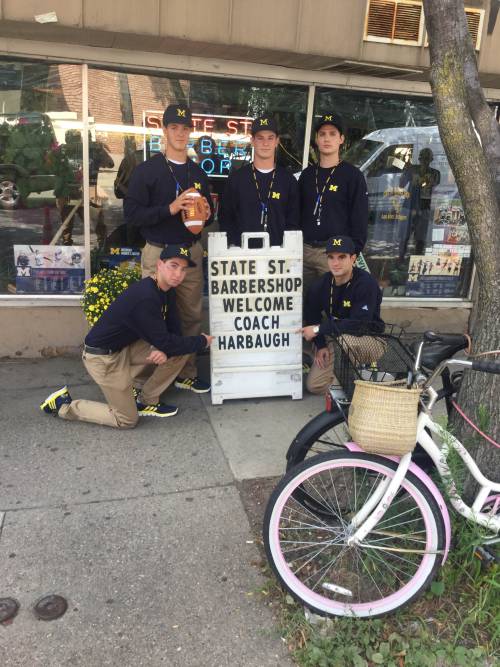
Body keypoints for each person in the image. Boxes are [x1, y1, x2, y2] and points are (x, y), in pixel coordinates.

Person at [40, 245, 214, 428]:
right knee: (126, 420)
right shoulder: (146, 296)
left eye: (183, 269)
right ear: (159, 265)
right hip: (103, 359)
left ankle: (147, 401)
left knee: (180, 349)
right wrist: (201, 341)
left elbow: (174, 329)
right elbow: (167, 340)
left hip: (124, 348)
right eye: (173, 265)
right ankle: (63, 405)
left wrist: (163, 347)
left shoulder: (166, 289)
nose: (178, 273)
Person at [124, 103, 214, 393]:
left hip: (190, 252)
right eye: (173, 127)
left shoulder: (198, 172)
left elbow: (208, 210)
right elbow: (133, 215)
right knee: (151, 315)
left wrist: (207, 214)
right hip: (158, 251)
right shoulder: (147, 171)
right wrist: (170, 208)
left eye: (185, 128)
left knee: (190, 315)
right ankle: (145, 377)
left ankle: (185, 371)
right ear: (164, 131)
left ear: (190, 131)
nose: (179, 133)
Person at [300, 236, 385, 395]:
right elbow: (312, 315)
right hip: (336, 338)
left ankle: (350, 387)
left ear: (353, 258)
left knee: (346, 343)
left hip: (368, 338)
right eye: (331, 257)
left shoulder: (366, 283)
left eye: (342, 257)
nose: (335, 263)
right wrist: (321, 345)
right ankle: (359, 384)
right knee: (315, 385)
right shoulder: (322, 284)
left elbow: (359, 324)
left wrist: (318, 330)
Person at [299, 113, 368, 292]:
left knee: (333, 307)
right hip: (304, 252)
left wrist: (352, 253)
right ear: (316, 139)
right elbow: (296, 212)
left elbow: (359, 218)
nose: (327, 139)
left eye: (332, 134)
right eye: (322, 134)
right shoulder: (307, 175)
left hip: (334, 255)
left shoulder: (352, 176)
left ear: (341, 139)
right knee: (304, 307)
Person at [219, 115, 299, 247]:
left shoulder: (288, 180)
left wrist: (287, 250)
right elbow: (226, 218)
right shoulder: (237, 179)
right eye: (260, 138)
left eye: (270, 138)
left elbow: (293, 222)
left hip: (277, 257)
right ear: (252, 141)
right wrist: (232, 246)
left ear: (277, 141)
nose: (265, 143)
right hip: (242, 256)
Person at [399, 147, 441, 258]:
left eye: (427, 158)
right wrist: (406, 171)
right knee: (405, 236)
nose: (425, 161)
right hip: (410, 206)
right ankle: (400, 259)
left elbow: (435, 182)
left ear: (431, 160)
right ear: (419, 158)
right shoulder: (412, 170)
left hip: (423, 208)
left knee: (420, 238)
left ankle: (416, 260)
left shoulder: (435, 173)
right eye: (423, 158)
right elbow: (401, 185)